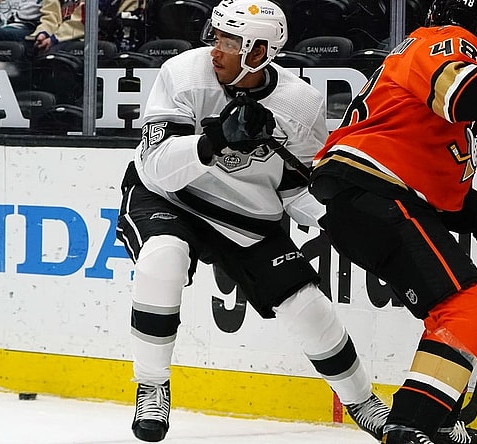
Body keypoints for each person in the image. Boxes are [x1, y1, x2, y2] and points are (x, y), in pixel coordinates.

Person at [114, 0, 389, 442]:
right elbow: (158, 164)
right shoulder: (184, 74)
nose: (214, 49)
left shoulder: (300, 105)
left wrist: (332, 219)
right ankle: (152, 384)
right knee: (161, 259)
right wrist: (216, 139)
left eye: (227, 41)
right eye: (216, 36)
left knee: (307, 305)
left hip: (246, 216)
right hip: (170, 196)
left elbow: (296, 186)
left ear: (259, 52)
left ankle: (363, 402)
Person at [308, 0, 477, 442]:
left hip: (365, 201)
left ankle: (437, 421)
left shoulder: (414, 78)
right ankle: (412, 424)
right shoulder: (444, 40)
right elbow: (465, 93)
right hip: (375, 194)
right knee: (468, 307)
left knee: (450, 312)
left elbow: (442, 191)